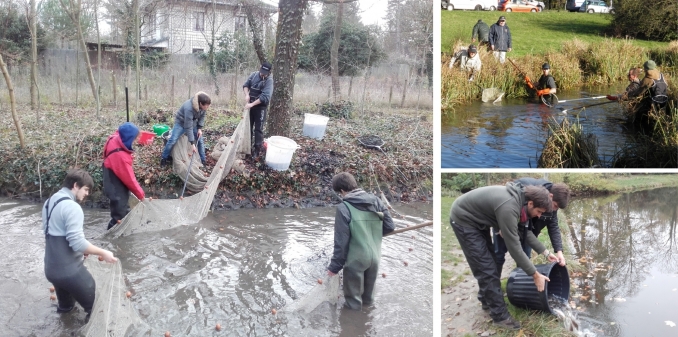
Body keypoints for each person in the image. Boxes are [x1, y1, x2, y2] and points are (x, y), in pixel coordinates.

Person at [450, 182, 558, 330]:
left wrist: (546, 253)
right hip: (464, 220)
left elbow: (525, 233)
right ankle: (500, 316)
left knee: (490, 264)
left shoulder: (523, 204)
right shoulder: (510, 207)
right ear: (531, 203)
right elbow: (514, 247)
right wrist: (535, 274)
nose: (539, 216)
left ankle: (486, 299)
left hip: (477, 221)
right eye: (539, 211)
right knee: (486, 268)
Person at [43, 169, 118, 315]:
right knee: (98, 309)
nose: (87, 194)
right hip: (69, 272)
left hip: (51, 270)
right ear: (76, 186)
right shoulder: (72, 207)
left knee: (66, 310)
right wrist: (103, 252)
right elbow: (77, 243)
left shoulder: (49, 202)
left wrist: (81, 251)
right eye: (86, 189)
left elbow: (56, 235)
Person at [327, 172, 395, 310]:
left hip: (355, 261)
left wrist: (333, 268)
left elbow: (341, 243)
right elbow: (390, 227)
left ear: (342, 191)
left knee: (353, 305)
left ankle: (353, 327)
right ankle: (367, 325)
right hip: (375, 258)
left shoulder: (343, 208)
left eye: (340, 194)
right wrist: (371, 234)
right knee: (369, 301)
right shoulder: (376, 200)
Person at [494, 177, 570, 273]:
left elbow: (553, 225)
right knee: (499, 255)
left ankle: (517, 281)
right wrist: (500, 226)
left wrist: (559, 251)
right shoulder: (526, 189)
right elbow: (504, 206)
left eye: (557, 208)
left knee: (525, 258)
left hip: (529, 231)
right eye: (555, 205)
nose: (554, 209)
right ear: (550, 196)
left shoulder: (553, 205)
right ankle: (494, 284)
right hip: (506, 223)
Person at [102, 122, 146, 230]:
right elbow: (130, 180)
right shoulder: (121, 157)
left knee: (123, 209)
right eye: (134, 139)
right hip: (113, 183)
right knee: (119, 215)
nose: (135, 141)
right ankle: (112, 238)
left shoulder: (115, 138)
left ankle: (121, 231)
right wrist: (142, 196)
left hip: (110, 174)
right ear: (128, 138)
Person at [160, 92, 211, 167]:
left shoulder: (204, 107)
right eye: (206, 106)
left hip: (192, 122)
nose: (207, 107)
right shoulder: (189, 108)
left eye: (208, 105)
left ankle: (203, 160)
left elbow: (202, 117)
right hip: (180, 123)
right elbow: (188, 127)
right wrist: (192, 143)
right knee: (173, 140)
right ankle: (164, 158)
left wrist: (199, 128)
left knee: (200, 140)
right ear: (200, 104)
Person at [243, 61, 274, 159]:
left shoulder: (269, 81)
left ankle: (257, 150)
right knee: (248, 127)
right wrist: (247, 95)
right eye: (261, 71)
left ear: (269, 72)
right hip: (250, 108)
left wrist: (252, 104)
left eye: (264, 73)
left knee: (258, 130)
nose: (262, 74)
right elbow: (245, 85)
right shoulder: (254, 75)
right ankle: (247, 148)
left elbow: (265, 97)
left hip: (260, 108)